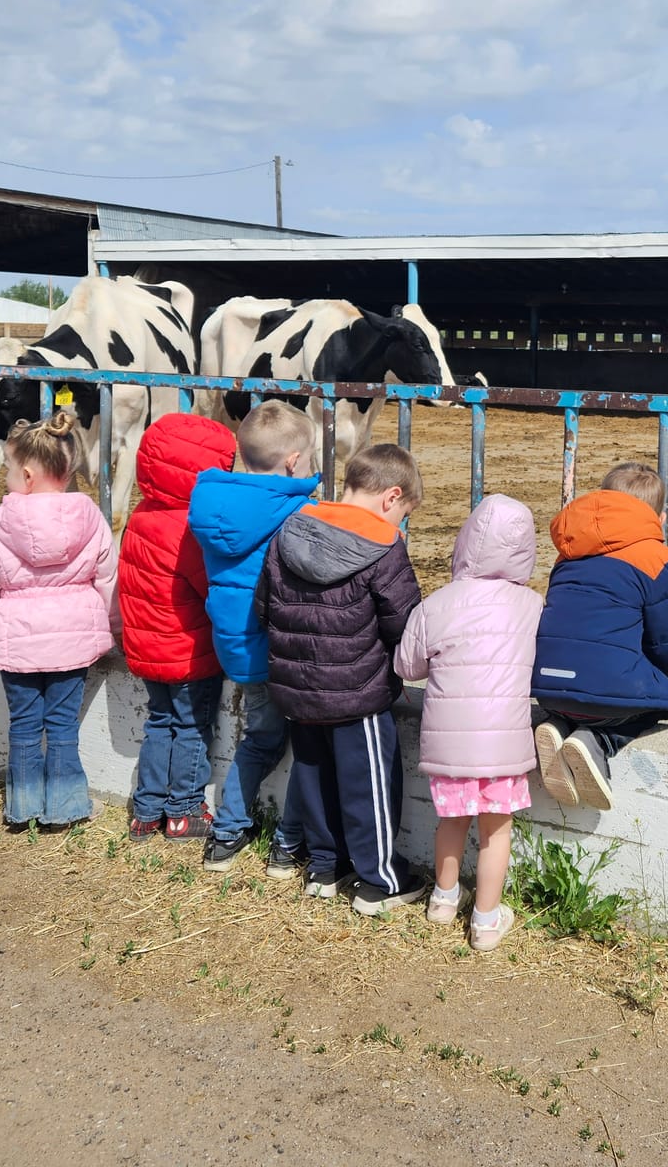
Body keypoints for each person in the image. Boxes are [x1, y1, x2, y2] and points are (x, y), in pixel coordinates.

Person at [259, 443, 427, 916]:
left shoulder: (292, 528)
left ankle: (324, 868)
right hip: (359, 693)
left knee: (312, 774)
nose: (401, 524)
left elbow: (265, 605)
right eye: (404, 513)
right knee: (368, 783)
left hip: (296, 687)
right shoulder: (384, 545)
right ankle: (380, 879)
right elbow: (403, 623)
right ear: (391, 497)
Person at [394, 493, 543, 952]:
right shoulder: (533, 606)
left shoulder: (437, 604)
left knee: (452, 821)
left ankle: (442, 899)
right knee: (496, 829)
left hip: (449, 748)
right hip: (504, 747)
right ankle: (485, 920)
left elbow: (406, 667)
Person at [188, 401, 323, 875]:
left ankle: (227, 833)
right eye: (307, 460)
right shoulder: (299, 509)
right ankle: (287, 842)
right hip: (285, 648)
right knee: (303, 744)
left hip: (236, 647)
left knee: (259, 739)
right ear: (292, 462)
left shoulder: (211, 503)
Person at [0, 411, 116, 830]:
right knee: (63, 725)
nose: (7, 478)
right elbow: (107, 579)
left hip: (16, 643)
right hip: (73, 643)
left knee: (26, 725)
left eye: (10, 469)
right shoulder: (93, 520)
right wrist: (107, 627)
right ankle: (65, 806)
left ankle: (24, 806)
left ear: (28, 475)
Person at [531, 462, 668, 812]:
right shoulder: (660, 561)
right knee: (652, 705)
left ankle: (559, 724)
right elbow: (665, 640)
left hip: (546, 689)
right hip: (607, 702)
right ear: (660, 518)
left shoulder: (568, 554)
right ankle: (598, 741)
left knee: (587, 682)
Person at [120, 412, 237, 841]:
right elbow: (210, 586)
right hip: (188, 653)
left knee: (158, 722)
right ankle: (185, 809)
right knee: (190, 726)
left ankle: (147, 810)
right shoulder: (190, 528)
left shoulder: (141, 515)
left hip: (148, 650)